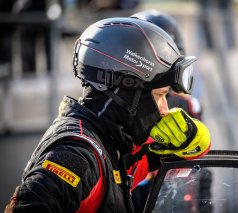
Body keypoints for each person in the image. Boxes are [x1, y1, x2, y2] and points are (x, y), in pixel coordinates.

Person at [5, 17, 211, 213]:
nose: (165, 108)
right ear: (127, 93)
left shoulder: (117, 147)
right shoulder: (75, 156)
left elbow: (191, 154)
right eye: (159, 95)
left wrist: (191, 134)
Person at [130, 10, 204, 212]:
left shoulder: (189, 106)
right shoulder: (126, 102)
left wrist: (204, 206)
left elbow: (200, 166)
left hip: (176, 196)